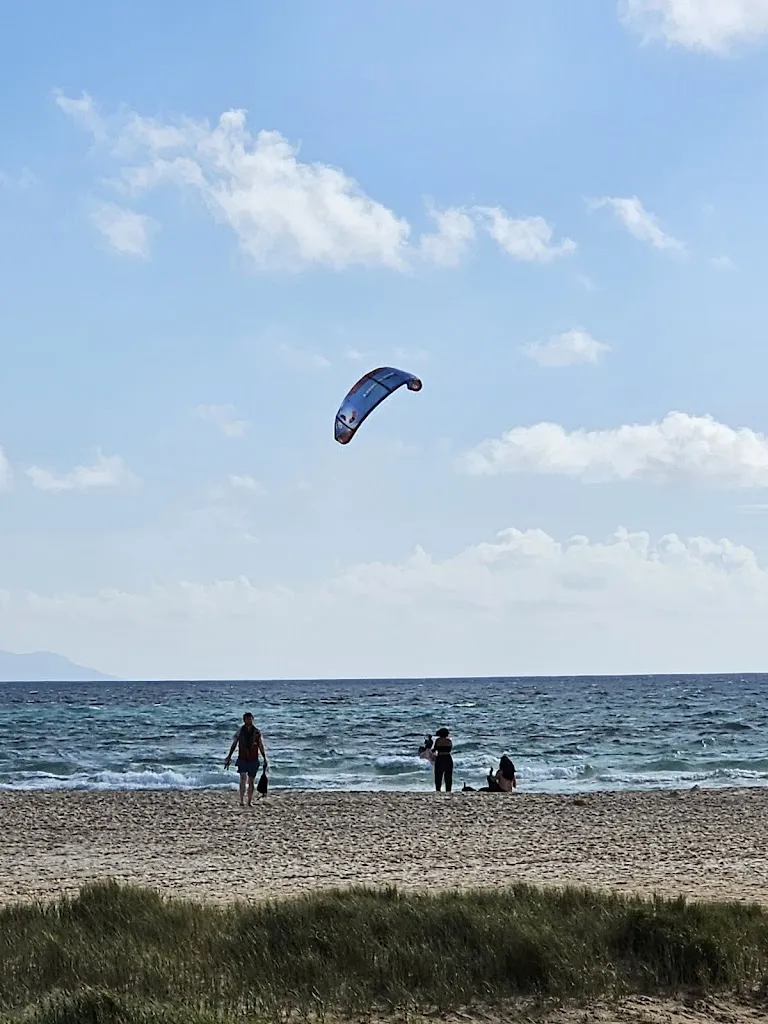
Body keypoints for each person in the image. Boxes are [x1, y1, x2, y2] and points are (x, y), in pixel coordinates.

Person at [224, 711, 268, 807]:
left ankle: (249, 801)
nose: (248, 720)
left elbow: (261, 745)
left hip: (253, 759)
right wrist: (229, 756)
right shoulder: (240, 731)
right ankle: (241, 800)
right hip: (242, 758)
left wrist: (265, 758)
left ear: (252, 719)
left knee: (251, 781)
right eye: (247, 719)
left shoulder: (257, 732)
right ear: (244, 720)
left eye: (250, 718)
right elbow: (234, 744)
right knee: (243, 778)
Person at [433, 727, 453, 792]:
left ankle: (438, 789)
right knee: (448, 776)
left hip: (440, 758)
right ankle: (448, 790)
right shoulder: (449, 741)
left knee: (438, 775)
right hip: (448, 758)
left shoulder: (438, 740)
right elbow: (449, 749)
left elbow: (434, 749)